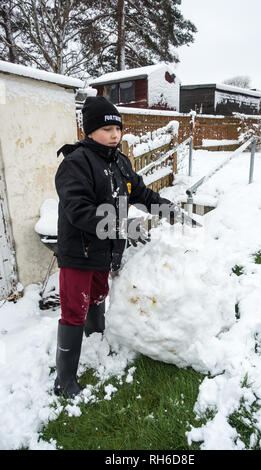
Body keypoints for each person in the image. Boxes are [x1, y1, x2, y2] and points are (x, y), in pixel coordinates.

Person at [54, 96, 183, 398]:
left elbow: (140, 194)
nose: (115, 135)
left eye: (118, 128)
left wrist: (170, 211)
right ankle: (65, 380)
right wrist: (121, 226)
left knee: (98, 296)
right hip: (80, 251)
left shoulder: (119, 162)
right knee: (75, 309)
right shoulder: (76, 163)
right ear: (89, 130)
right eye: (107, 128)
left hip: (107, 250)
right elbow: (79, 211)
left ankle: (96, 340)